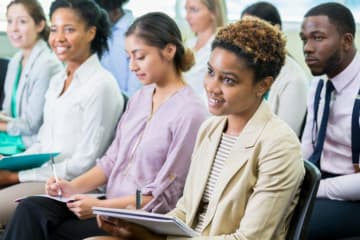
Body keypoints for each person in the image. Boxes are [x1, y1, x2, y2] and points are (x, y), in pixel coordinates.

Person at [91, 17, 305, 240]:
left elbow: (250, 238)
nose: (212, 87)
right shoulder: (211, 129)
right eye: (211, 72)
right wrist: (140, 229)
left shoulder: (279, 146)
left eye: (229, 80)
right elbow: (185, 210)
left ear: (263, 85)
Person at [3, 12, 207, 240]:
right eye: (128, 57)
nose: (132, 66)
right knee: (32, 209)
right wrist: (71, 187)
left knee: (45, 228)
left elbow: (162, 197)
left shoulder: (191, 113)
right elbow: (110, 162)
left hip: (136, 218)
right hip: (107, 207)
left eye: (139, 57)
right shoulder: (141, 98)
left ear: (169, 51)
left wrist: (103, 206)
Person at [0, 0, 123, 229]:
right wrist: (9, 164)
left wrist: (15, 177)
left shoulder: (101, 85)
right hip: (45, 175)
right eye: (55, 29)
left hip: (70, 186)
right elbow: (43, 142)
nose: (58, 38)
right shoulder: (58, 81)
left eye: (69, 29)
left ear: (90, 33)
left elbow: (85, 162)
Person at [300, 3, 360, 239]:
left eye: (318, 38)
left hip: (353, 194)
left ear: (346, 41)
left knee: (297, 225)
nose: (307, 48)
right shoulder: (319, 84)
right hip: (322, 179)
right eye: (304, 39)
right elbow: (308, 146)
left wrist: (316, 190)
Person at [0, 0, 63, 156]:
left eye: (22, 21)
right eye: (9, 21)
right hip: (11, 137)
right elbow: (7, 112)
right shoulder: (15, 60)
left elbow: (32, 125)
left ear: (40, 25)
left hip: (31, 143)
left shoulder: (47, 64)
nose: (14, 28)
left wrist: (2, 125)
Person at [241, 1, 309, 137]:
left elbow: (286, 136)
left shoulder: (294, 79)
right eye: (242, 31)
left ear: (275, 31)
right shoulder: (249, 67)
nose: (246, 38)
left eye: (253, 31)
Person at [95, 0, 141, 97]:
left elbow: (136, 84)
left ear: (116, 12)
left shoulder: (136, 32)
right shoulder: (100, 31)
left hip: (126, 102)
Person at [184, 0, 226, 102]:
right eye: (186, 10)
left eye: (194, 10)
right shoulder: (188, 45)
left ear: (213, 13)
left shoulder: (221, 48)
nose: (187, 17)